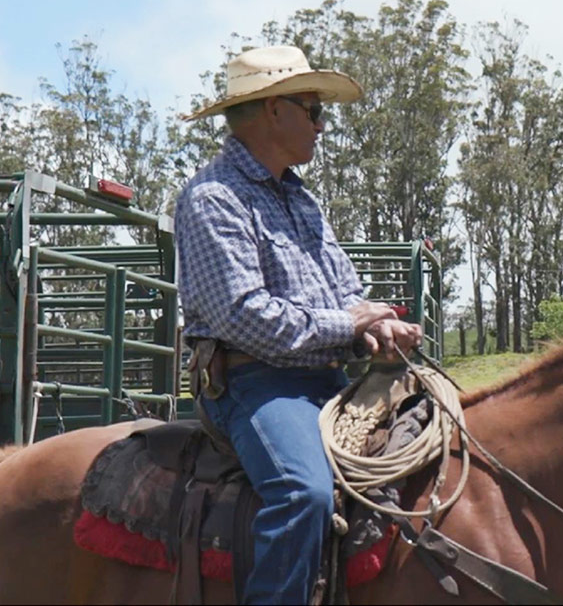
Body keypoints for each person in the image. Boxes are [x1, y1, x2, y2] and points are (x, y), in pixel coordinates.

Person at [175, 45, 422, 604]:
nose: (321, 123)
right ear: (271, 111)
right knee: (302, 493)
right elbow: (243, 316)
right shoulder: (213, 199)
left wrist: (376, 326)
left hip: (321, 380)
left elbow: (346, 292)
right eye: (312, 109)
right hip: (254, 383)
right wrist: (348, 324)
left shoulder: (301, 199)